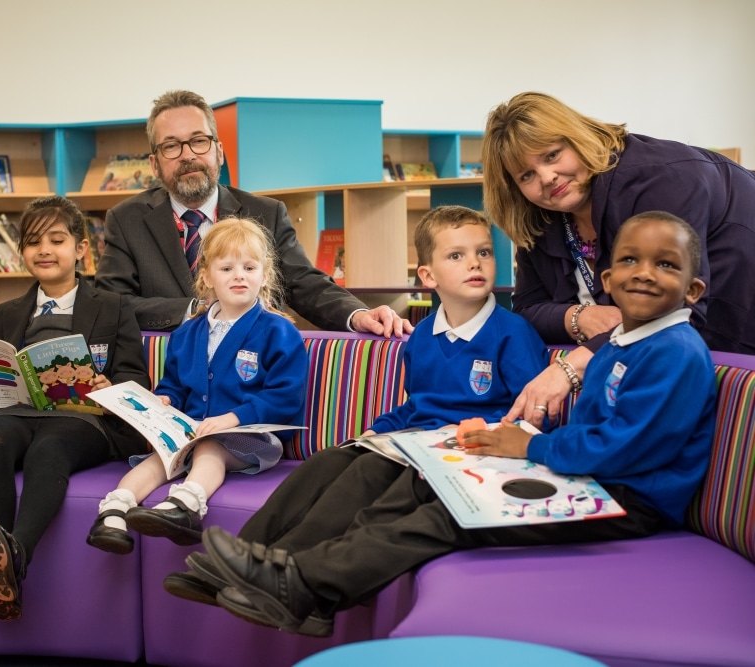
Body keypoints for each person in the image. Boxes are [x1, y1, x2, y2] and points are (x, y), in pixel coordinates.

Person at [190, 211, 717, 637]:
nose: (644, 273)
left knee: (450, 515)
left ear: (693, 290)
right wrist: (536, 445)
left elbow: (620, 449)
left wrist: (529, 446)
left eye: (665, 265)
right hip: (594, 474)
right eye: (630, 260)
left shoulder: (674, 353)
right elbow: (596, 436)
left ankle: (301, 582)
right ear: (606, 280)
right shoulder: (626, 341)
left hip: (631, 499)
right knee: (409, 492)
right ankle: (305, 589)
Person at [161, 205, 550, 636]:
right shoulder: (421, 335)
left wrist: (466, 439)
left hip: (464, 453)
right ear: (427, 276)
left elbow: (526, 417)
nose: (475, 262)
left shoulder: (513, 333)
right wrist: (373, 431)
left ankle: (281, 577)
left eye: (484, 252)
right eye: (456, 255)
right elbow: (414, 406)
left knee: (364, 473)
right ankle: (236, 561)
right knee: (328, 461)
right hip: (416, 441)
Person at [482, 91, 755, 425]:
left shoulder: (659, 180)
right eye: (526, 175)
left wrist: (568, 369)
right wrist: (577, 316)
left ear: (577, 138)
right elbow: (527, 308)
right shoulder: (541, 217)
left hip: (733, 339)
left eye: (552, 155)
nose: (547, 177)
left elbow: (675, 310)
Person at [0, 196, 151, 621]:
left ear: (82, 249)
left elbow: (137, 379)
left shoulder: (114, 306)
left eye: (57, 239)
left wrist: (109, 386)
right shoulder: (7, 313)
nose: (44, 250)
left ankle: (13, 556)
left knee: (49, 448)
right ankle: (3, 568)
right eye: (32, 242)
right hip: (17, 414)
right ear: (21, 253)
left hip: (84, 419)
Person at [93, 89, 411, 339]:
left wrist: (357, 315)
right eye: (172, 146)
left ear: (219, 151)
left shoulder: (266, 213)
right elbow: (111, 304)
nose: (188, 155)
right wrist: (196, 308)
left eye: (198, 141)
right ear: (154, 164)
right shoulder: (126, 220)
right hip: (165, 379)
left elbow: (306, 285)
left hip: (254, 382)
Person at [87, 217, 309, 554]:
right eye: (227, 268)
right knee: (160, 457)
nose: (239, 275)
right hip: (191, 431)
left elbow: (284, 397)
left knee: (210, 448)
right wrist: (164, 400)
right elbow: (174, 385)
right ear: (206, 276)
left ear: (264, 275)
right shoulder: (186, 333)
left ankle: (186, 506)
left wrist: (232, 419)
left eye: (250, 267)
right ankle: (115, 510)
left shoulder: (279, 331)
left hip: (250, 436)